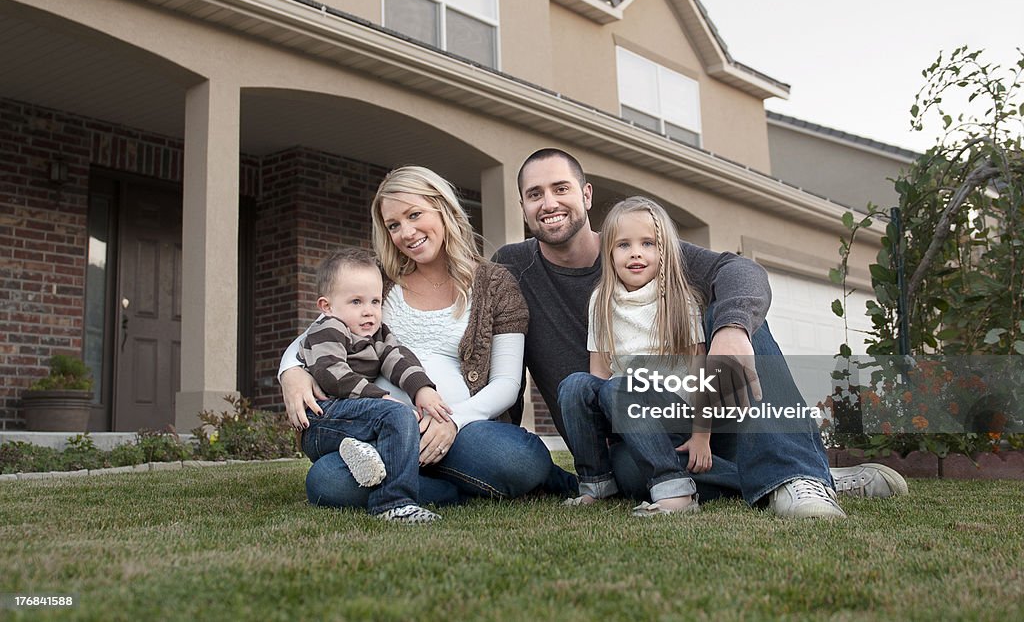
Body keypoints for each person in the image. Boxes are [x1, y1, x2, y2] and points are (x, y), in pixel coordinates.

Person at [492, 148, 909, 519]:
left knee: (736, 317)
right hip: (625, 441)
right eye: (535, 194)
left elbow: (739, 271)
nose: (549, 203)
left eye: (560, 188)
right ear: (523, 206)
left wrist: (731, 330)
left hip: (700, 409)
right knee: (639, 476)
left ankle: (799, 477)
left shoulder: (639, 248)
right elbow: (498, 345)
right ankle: (801, 472)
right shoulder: (513, 268)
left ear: (586, 195)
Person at [280, 166, 576, 510]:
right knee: (326, 481)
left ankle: (415, 478)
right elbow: (316, 332)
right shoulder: (378, 278)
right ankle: (451, 488)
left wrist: (451, 422)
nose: (406, 232)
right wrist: (291, 372)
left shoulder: (496, 284)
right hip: (381, 432)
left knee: (518, 458)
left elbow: (507, 385)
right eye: (394, 225)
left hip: (463, 431)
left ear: (443, 208)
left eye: (414, 215)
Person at [561, 196, 732, 516]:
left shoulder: (680, 300)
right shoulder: (601, 300)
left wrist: (701, 436)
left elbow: (702, 375)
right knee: (575, 385)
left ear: (663, 251)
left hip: (675, 410)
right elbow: (597, 373)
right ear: (609, 253)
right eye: (624, 245)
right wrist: (605, 433)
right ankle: (597, 483)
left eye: (648, 243)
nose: (636, 252)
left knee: (619, 386)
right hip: (624, 406)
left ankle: (675, 491)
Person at [297, 247, 448, 523]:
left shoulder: (377, 335)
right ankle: (392, 504)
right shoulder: (328, 329)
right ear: (326, 306)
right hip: (321, 419)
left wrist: (422, 389)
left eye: (375, 302)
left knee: (397, 415)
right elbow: (333, 374)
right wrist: (380, 398)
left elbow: (398, 357)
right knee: (397, 414)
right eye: (356, 302)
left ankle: (364, 452)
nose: (369, 312)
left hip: (352, 419)